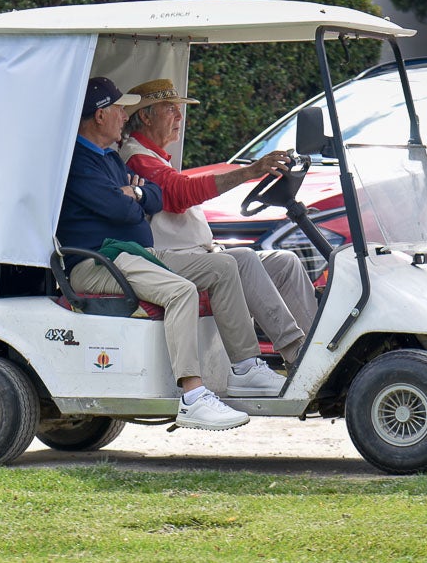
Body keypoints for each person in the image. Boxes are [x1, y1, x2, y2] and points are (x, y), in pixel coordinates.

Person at [56, 77, 286, 431]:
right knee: (181, 291)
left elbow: (154, 198)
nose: (123, 115)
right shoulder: (80, 163)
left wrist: (134, 193)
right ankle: (193, 396)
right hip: (100, 262)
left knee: (223, 267)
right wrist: (134, 195)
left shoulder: (108, 158)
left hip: (131, 255)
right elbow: (124, 209)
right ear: (99, 116)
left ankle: (245, 367)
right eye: (118, 108)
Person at [120, 78, 318, 366]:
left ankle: (320, 349)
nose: (179, 116)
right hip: (173, 263)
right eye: (170, 109)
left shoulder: (154, 157)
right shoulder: (137, 157)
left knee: (285, 263)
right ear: (145, 116)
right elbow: (180, 193)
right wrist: (250, 172)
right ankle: (295, 352)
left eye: (179, 109)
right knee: (244, 259)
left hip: (197, 258)